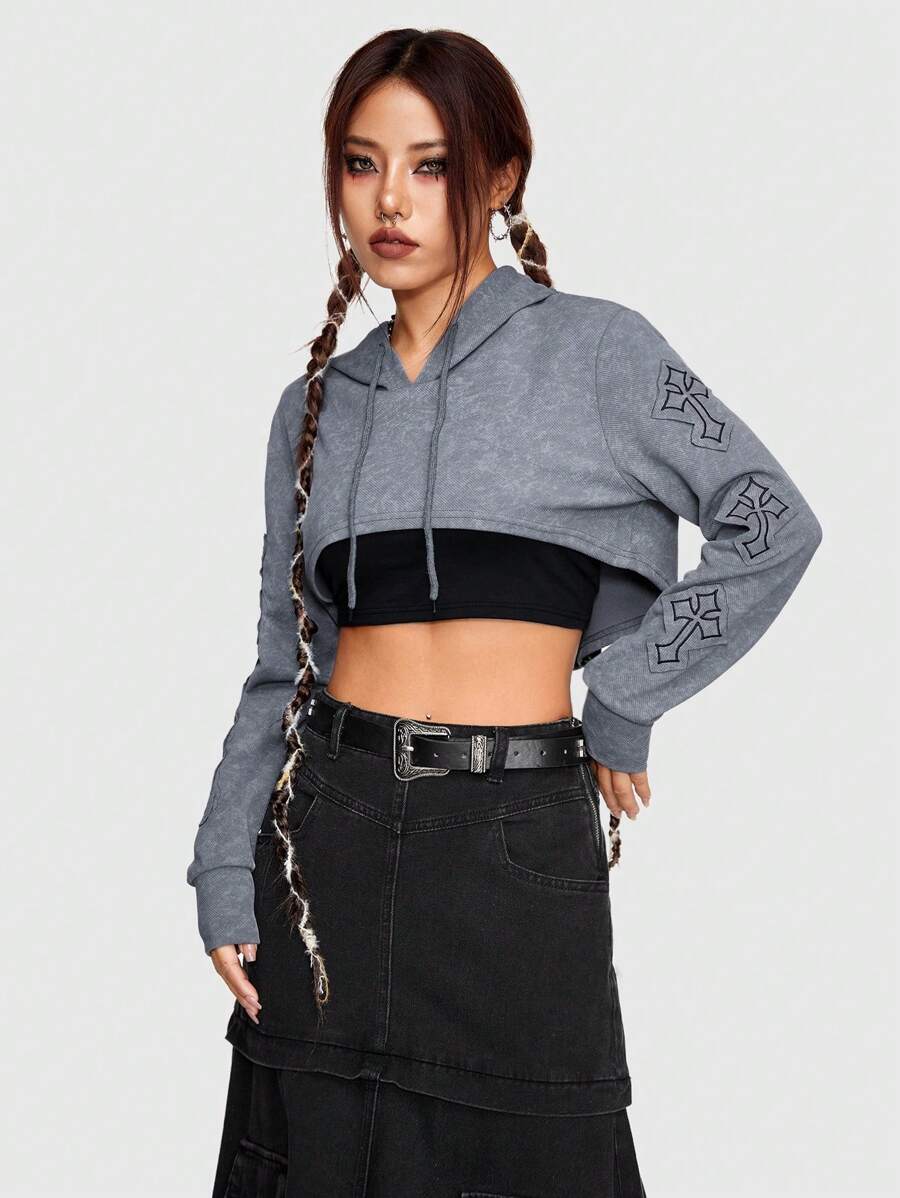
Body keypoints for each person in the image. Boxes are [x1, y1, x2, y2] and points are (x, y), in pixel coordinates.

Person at [187, 28, 822, 1198]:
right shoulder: (314, 407)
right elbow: (283, 667)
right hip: (324, 843)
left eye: (430, 165)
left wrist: (626, 697)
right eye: (362, 162)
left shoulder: (599, 354)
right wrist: (224, 858)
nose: (390, 199)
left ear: (502, 175)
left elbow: (772, 520)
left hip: (513, 848)